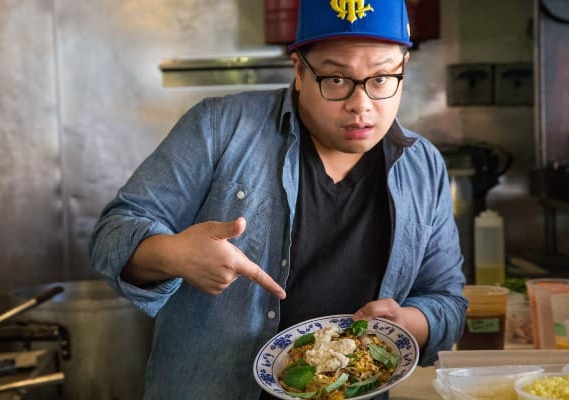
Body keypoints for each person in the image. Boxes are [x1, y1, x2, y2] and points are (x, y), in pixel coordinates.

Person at [89, 1, 468, 399]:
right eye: (336, 79)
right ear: (300, 71)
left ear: (403, 67)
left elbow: (447, 299)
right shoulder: (220, 127)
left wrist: (408, 322)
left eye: (381, 77)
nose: (362, 104)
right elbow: (111, 235)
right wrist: (172, 254)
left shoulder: (421, 164)